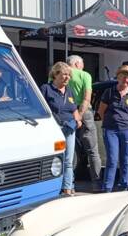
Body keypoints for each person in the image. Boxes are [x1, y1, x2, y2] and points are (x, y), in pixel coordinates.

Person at [40, 61, 82, 196]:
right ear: (55, 74)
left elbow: (74, 109)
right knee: (54, 160)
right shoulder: (46, 89)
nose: (67, 77)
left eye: (69, 75)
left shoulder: (69, 91)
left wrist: (78, 120)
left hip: (69, 129)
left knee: (68, 161)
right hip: (54, 130)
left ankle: (67, 188)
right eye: (64, 74)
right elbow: (41, 109)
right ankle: (52, 188)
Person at [97, 64, 128, 192]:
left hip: (127, 130)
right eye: (125, 77)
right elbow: (101, 111)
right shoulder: (109, 92)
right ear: (119, 77)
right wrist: (111, 122)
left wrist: (126, 123)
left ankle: (123, 187)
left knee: (125, 160)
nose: (127, 80)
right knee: (112, 160)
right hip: (111, 130)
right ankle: (107, 189)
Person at [67, 54, 102, 190]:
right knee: (92, 151)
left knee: (68, 149)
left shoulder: (59, 74)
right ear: (77, 64)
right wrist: (80, 115)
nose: (82, 66)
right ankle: (96, 184)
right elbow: (87, 98)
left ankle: (68, 184)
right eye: (82, 64)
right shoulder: (85, 75)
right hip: (84, 112)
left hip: (66, 112)